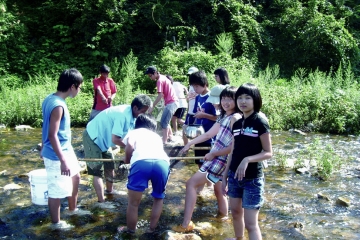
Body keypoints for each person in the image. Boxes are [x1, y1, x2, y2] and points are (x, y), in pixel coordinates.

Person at [172, 86, 241, 232]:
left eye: (230, 99)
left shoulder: (235, 118)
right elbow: (208, 135)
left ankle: (185, 224)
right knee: (219, 190)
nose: (225, 102)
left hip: (221, 160)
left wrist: (214, 154)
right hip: (217, 157)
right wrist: (190, 143)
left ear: (237, 101)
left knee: (191, 183)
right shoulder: (224, 117)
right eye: (223, 98)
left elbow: (235, 147)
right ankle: (223, 217)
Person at [222, 83, 273, 240]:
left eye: (247, 98)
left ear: (255, 100)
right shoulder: (236, 123)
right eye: (240, 98)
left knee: (251, 224)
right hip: (234, 177)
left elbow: (268, 152)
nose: (243, 101)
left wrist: (248, 159)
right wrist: (224, 176)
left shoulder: (260, 122)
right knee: (236, 213)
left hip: (252, 179)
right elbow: (233, 151)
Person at [83, 95, 152, 203]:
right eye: (143, 111)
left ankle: (110, 191)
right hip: (92, 137)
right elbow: (115, 139)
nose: (143, 114)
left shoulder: (134, 117)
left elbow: (131, 136)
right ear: (135, 108)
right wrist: (130, 148)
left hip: (105, 140)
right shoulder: (122, 115)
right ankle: (102, 202)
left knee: (110, 165)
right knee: (97, 171)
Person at [41, 68, 83, 228]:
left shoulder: (50, 98)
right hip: (56, 154)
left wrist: (42, 146)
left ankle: (73, 210)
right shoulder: (57, 105)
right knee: (56, 190)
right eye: (79, 87)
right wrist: (63, 161)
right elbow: (52, 134)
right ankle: (56, 224)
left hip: (66, 149)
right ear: (72, 86)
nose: (79, 90)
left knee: (76, 177)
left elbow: (44, 127)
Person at [117, 114, 170, 234]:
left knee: (133, 203)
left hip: (141, 163)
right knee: (158, 198)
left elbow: (129, 145)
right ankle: (151, 229)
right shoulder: (156, 135)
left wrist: (127, 159)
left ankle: (130, 231)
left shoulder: (134, 132)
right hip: (162, 163)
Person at [188, 71, 217, 170]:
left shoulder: (212, 97)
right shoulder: (198, 97)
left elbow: (218, 118)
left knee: (209, 163)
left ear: (204, 85)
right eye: (193, 86)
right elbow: (196, 114)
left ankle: (209, 184)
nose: (195, 89)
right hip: (199, 135)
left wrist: (204, 115)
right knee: (199, 162)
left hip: (210, 136)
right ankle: (204, 184)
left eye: (196, 86)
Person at [145, 66, 178, 144]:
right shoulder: (164, 77)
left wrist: (152, 105)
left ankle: (164, 142)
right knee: (166, 120)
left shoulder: (159, 81)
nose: (150, 78)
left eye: (150, 75)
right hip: (172, 102)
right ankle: (170, 137)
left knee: (164, 123)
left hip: (171, 102)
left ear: (155, 73)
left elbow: (160, 95)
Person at [182, 66, 199, 145]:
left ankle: (193, 149)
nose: (191, 77)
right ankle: (186, 148)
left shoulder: (199, 86)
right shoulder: (191, 86)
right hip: (190, 112)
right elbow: (189, 99)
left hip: (196, 113)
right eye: (190, 75)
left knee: (196, 133)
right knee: (184, 130)